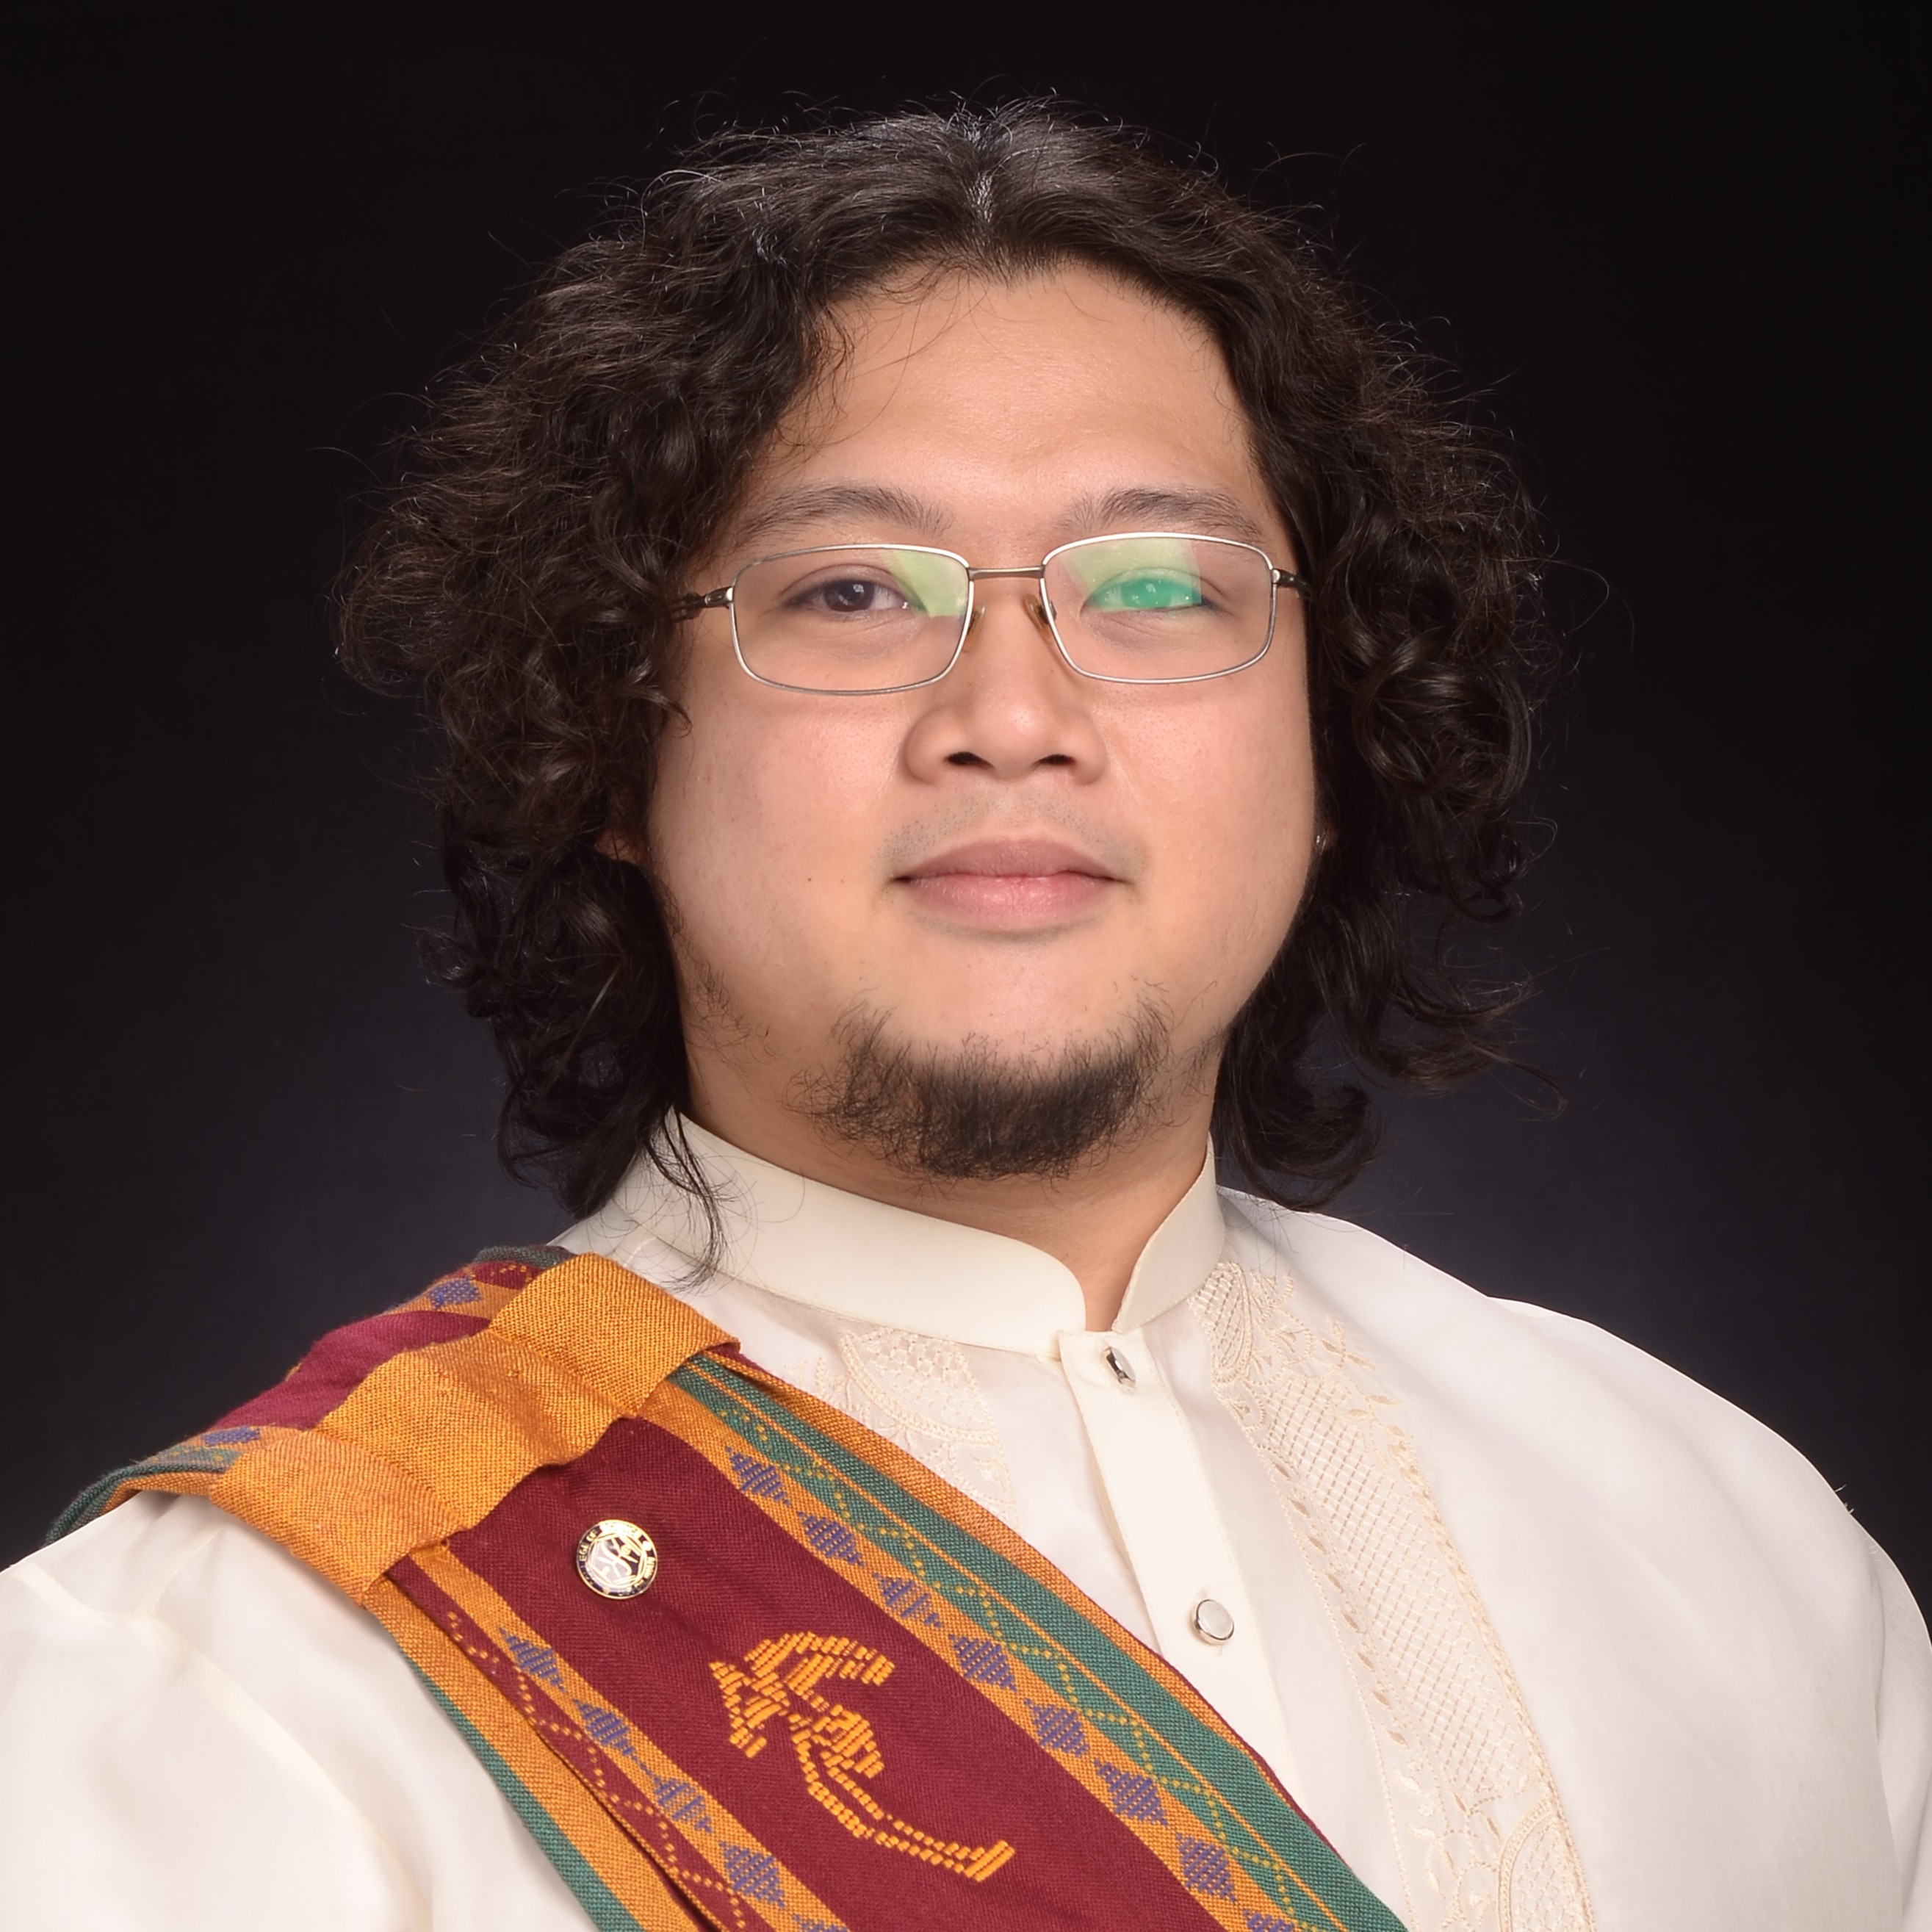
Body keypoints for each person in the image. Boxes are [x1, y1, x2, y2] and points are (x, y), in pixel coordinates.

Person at [1, 103, 1923, 1932]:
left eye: (1155, 585)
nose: (1012, 714)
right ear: (607, 746)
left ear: (1333, 735)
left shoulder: (1739, 1557)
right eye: (851, 591)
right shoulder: (218, 1695)